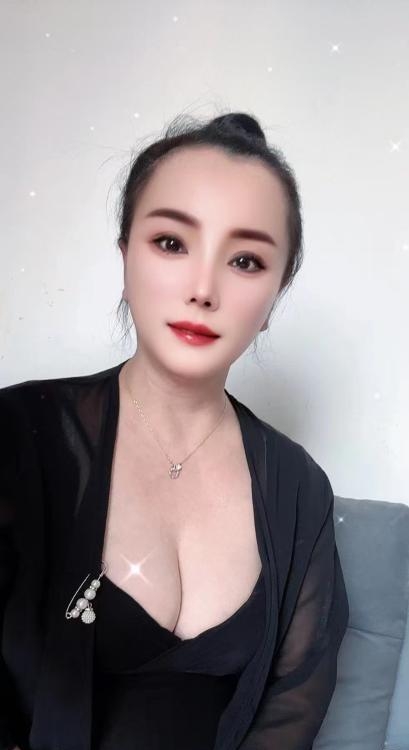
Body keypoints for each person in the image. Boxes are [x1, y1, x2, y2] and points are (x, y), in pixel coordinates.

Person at [0, 111, 349, 750]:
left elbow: (295, 701)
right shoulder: (20, 435)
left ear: (275, 297)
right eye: (170, 243)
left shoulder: (300, 489)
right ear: (125, 256)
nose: (203, 289)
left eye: (245, 260)